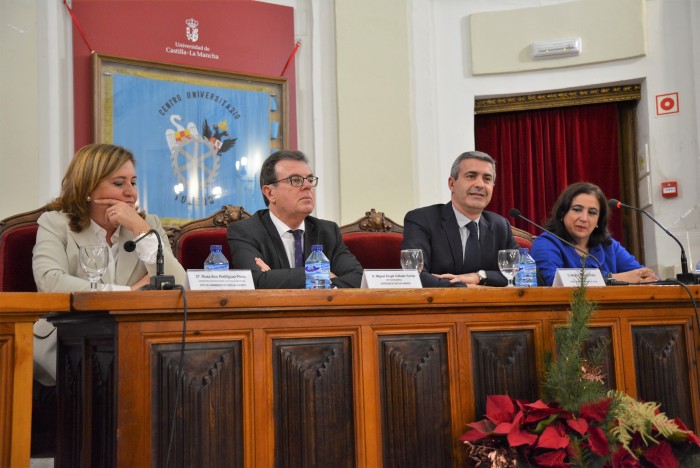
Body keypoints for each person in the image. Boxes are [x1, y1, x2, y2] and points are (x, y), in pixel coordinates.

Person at [32, 143, 187, 386]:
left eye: (133, 183)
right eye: (119, 183)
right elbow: (50, 281)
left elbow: (178, 285)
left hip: (133, 336)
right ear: (88, 188)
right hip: (69, 339)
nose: (131, 193)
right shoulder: (55, 223)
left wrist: (140, 229)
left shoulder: (147, 224)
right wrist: (131, 293)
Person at [227, 150, 363, 288]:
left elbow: (358, 278)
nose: (307, 186)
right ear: (270, 193)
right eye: (296, 180)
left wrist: (274, 278)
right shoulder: (245, 232)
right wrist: (322, 274)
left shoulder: (328, 231)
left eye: (310, 179)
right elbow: (255, 282)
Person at [402, 150, 519, 287]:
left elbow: (528, 274)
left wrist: (479, 277)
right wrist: (466, 287)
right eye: (471, 176)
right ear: (452, 184)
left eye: (487, 179)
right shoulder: (422, 220)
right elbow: (413, 276)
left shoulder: (500, 225)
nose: (480, 185)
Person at [530, 181, 658, 286]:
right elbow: (553, 282)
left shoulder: (608, 246)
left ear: (598, 220)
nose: (584, 218)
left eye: (592, 212)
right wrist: (613, 278)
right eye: (577, 210)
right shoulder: (546, 244)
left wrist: (648, 279)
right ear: (563, 213)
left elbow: (643, 274)